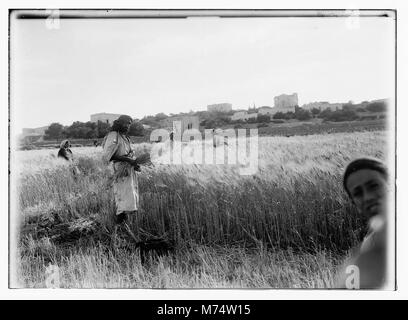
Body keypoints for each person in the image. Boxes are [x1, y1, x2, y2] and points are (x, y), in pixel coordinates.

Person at [336, 158, 389, 289]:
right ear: (355, 204)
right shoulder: (365, 250)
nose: (368, 197)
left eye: (374, 186)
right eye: (358, 193)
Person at [102, 115, 141, 224]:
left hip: (129, 170)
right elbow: (107, 156)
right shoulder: (113, 135)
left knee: (130, 196)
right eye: (126, 123)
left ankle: (126, 224)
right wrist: (127, 160)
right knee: (122, 197)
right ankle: (119, 225)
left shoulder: (125, 137)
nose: (128, 125)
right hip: (120, 170)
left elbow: (130, 154)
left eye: (130, 124)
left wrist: (135, 164)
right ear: (119, 123)